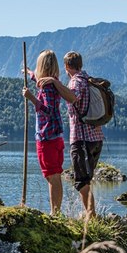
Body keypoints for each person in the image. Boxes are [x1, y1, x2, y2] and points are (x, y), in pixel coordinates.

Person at [38, 51, 104, 219]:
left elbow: (72, 97)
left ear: (67, 66)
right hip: (96, 137)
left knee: (82, 182)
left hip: (82, 139)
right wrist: (33, 74)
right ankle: (89, 215)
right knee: (85, 180)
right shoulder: (87, 78)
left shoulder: (75, 81)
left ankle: (91, 217)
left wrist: (53, 81)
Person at [22, 50, 65, 215]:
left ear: (43, 65)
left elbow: (48, 110)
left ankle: (56, 213)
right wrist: (29, 73)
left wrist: (30, 97)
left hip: (47, 136)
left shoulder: (47, 86)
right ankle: (56, 212)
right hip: (56, 136)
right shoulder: (53, 82)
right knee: (54, 174)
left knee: (52, 176)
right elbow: (39, 80)